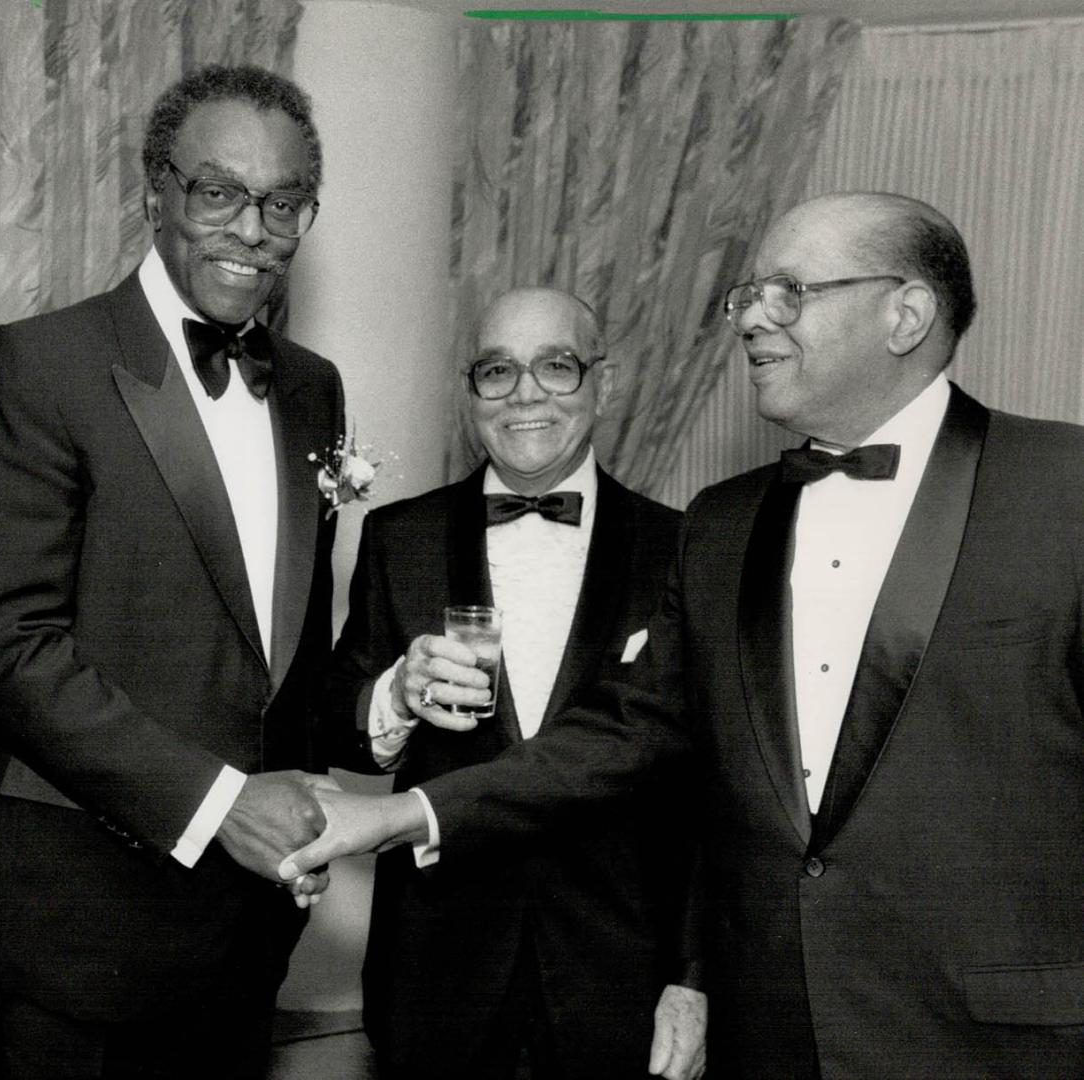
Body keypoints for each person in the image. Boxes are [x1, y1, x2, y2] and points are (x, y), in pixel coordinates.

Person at [282, 192, 1084, 1078]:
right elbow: (631, 731)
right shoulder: (726, 524)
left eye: (789, 291)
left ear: (906, 313)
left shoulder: (1065, 492)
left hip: (994, 1038)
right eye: (747, 295)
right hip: (770, 1029)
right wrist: (398, 812)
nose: (751, 320)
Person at [0, 65, 343, 1078]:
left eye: (284, 202)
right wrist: (220, 805)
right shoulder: (37, 365)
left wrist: (377, 708)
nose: (253, 229)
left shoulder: (311, 390)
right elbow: (7, 647)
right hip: (83, 934)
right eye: (219, 192)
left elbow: (268, 655)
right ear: (155, 189)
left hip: (249, 935)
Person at [323, 287, 703, 1080]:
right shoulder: (401, 538)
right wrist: (395, 696)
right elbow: (337, 721)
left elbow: (715, 796)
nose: (525, 394)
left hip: (621, 975)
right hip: (435, 969)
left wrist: (693, 977)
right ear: (470, 394)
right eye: (497, 372)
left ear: (605, 383)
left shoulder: (685, 548)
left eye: (556, 367)